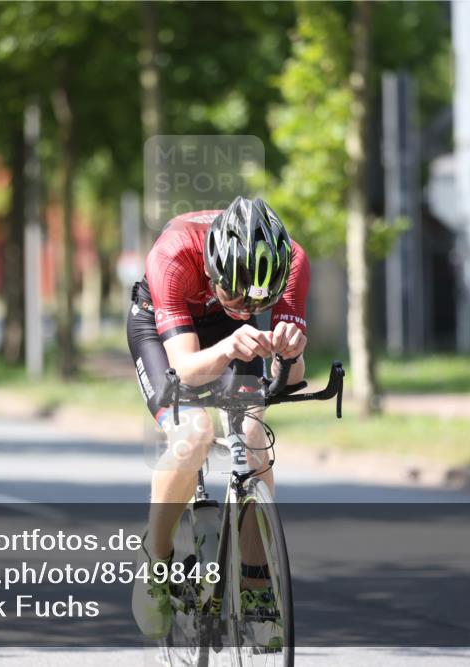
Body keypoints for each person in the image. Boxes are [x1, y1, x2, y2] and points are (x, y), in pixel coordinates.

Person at [126, 195, 309, 639]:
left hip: (231, 335)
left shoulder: (292, 261)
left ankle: (256, 588)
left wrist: (292, 349)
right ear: (212, 269)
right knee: (194, 433)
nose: (246, 306)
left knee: (254, 439)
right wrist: (229, 346)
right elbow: (185, 370)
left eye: (257, 300)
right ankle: (157, 558)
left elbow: (293, 376)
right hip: (164, 326)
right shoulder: (172, 257)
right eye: (235, 293)